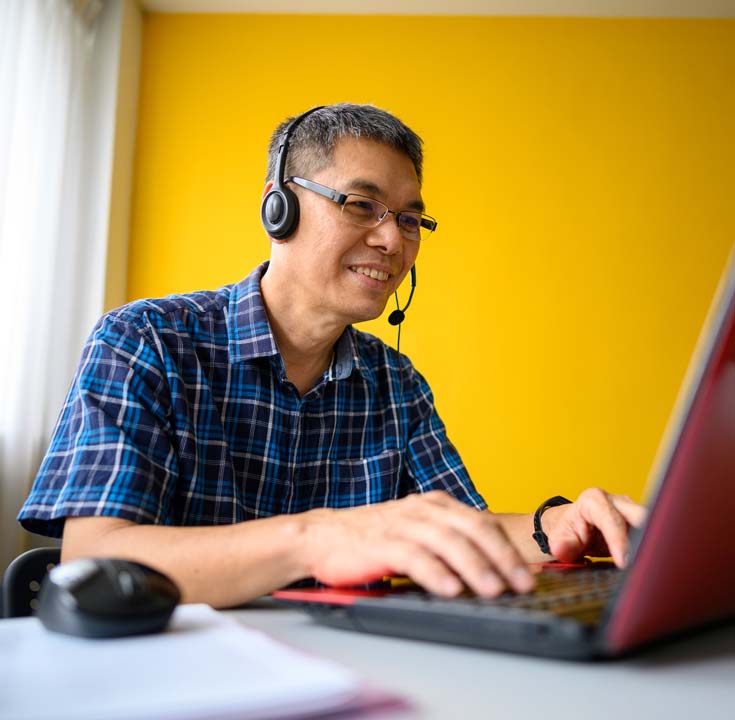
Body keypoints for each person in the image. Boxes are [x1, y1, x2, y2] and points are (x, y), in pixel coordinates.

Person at [18, 104, 645, 608]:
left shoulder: (395, 382)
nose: (390, 239)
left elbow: (459, 532)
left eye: (408, 220)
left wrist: (555, 525)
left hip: (352, 676)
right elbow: (94, 563)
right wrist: (317, 538)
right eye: (362, 204)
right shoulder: (146, 340)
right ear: (278, 206)